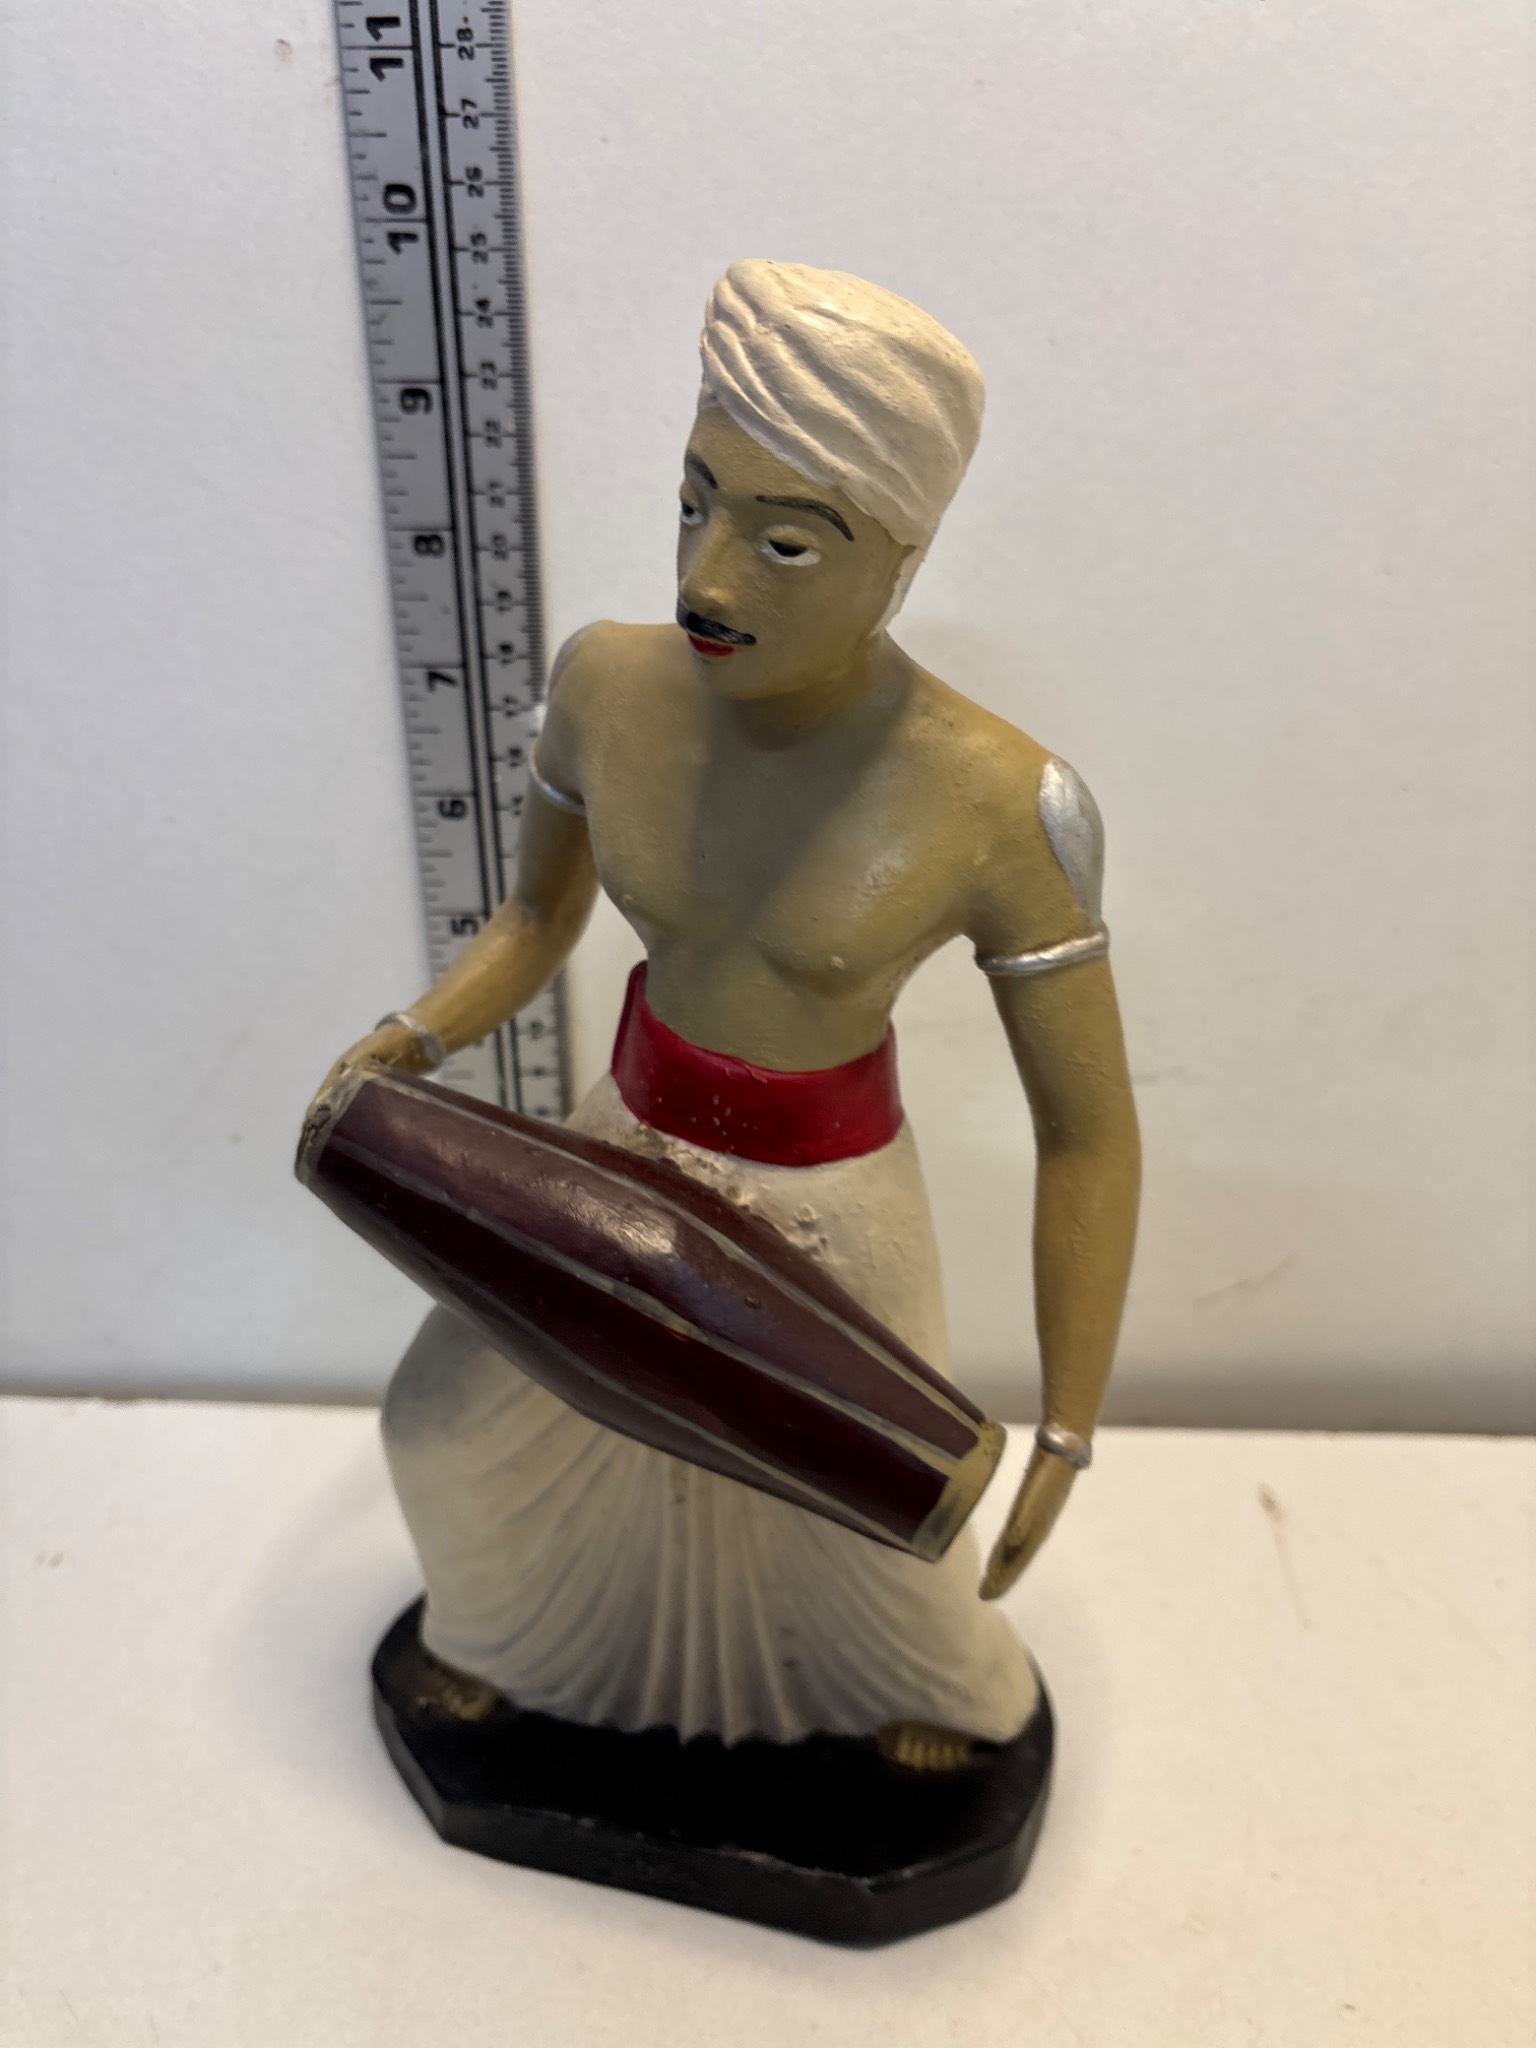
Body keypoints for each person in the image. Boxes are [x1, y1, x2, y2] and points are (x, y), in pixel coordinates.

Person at [316, 260, 1140, 1772]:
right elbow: (534, 923)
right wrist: (413, 1038)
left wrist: (1071, 1424)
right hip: (614, 1160)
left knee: (871, 1522)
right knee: (446, 1427)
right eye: (692, 503)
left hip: (837, 1216)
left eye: (785, 542)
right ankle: (512, 1650)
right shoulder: (608, 685)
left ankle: (934, 1698)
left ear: (899, 558)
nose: (707, 579)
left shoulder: (998, 800)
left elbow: (1086, 1134)